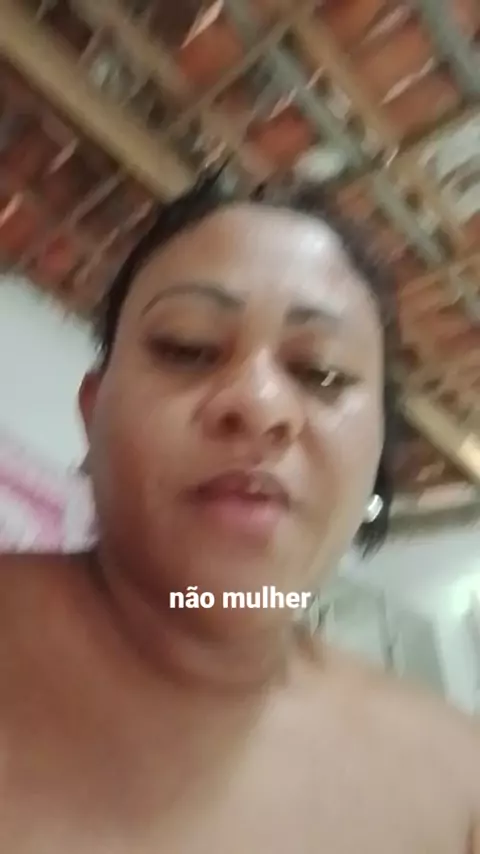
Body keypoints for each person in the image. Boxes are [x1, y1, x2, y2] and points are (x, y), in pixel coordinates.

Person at [0, 168, 478, 854]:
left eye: (321, 372)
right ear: (92, 412)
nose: (257, 402)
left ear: (376, 454)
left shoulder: (460, 787)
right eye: (188, 347)